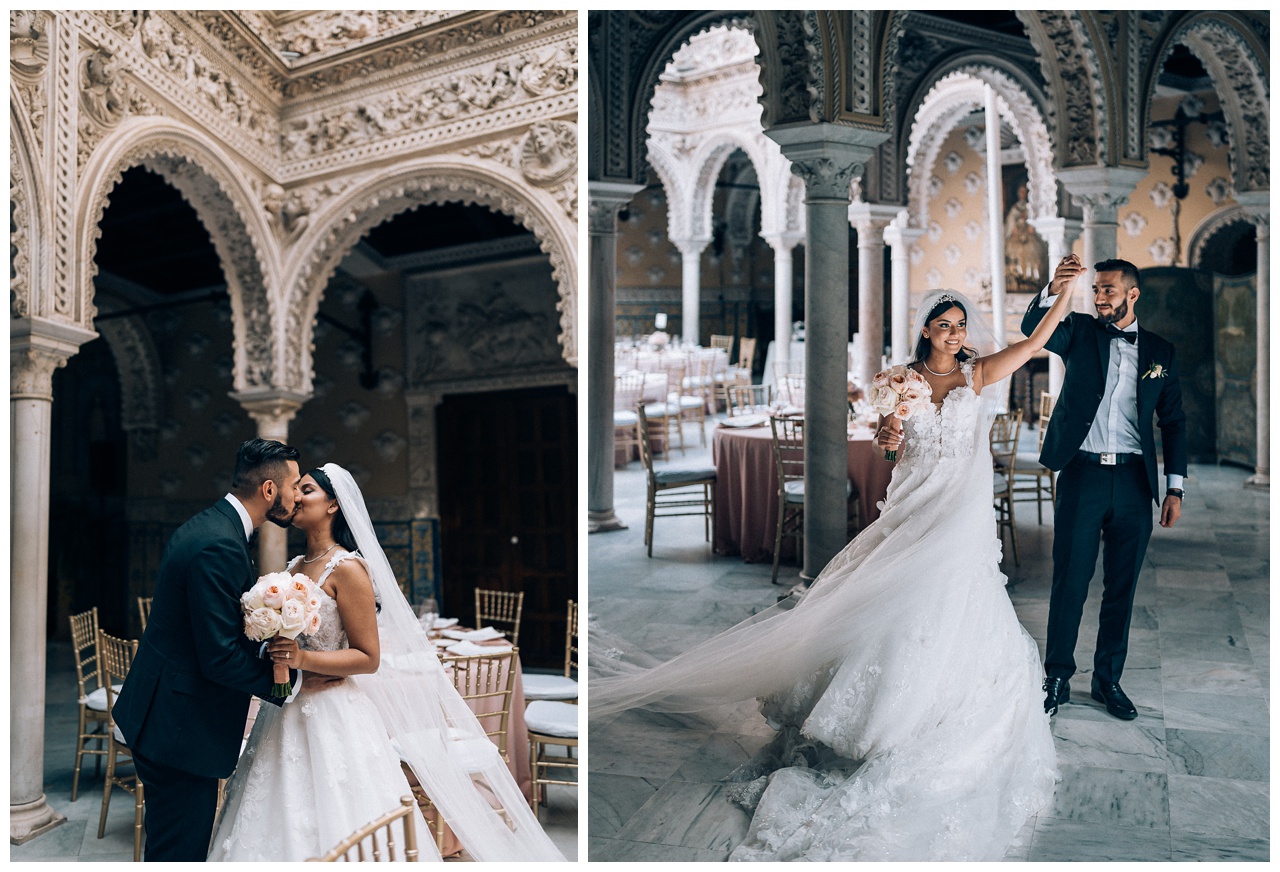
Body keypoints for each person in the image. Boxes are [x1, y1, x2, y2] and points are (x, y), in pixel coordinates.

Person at [590, 282, 1075, 861]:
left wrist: (1061, 290)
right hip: (916, 503)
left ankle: (938, 712)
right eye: (944, 325)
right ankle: (878, 718)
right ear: (925, 330)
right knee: (899, 597)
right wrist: (889, 436)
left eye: (960, 325)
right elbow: (889, 451)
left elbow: (1039, 340)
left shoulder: (976, 375)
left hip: (963, 515)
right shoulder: (900, 381)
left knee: (959, 599)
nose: (954, 334)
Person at [209, 463, 565, 862]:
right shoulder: (291, 568)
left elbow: (368, 657)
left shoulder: (348, 568)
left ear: (333, 506)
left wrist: (303, 657)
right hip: (288, 710)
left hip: (333, 710)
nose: (295, 498)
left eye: (306, 490)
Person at [112, 438, 304, 861]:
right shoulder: (219, 543)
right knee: (179, 854)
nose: (296, 495)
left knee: (169, 846)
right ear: (269, 491)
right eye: (293, 486)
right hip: (180, 729)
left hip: (165, 715)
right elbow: (219, 658)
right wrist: (284, 684)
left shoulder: (211, 524)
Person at [1022, 257, 1187, 720]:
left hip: (1135, 482)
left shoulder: (1161, 352)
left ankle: (1107, 679)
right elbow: (1033, 325)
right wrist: (1055, 286)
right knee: (1070, 579)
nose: (1099, 298)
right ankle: (1056, 676)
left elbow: (1174, 422)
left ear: (1133, 294)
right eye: (1096, 290)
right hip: (1083, 475)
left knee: (1122, 586)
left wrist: (1175, 489)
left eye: (1109, 291)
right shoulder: (1077, 330)